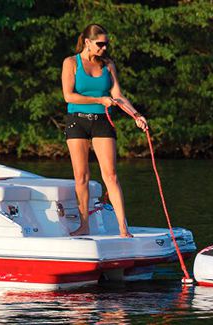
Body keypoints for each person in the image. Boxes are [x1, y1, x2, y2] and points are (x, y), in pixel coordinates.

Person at [60, 24, 147, 237]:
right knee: (81, 176)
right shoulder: (71, 63)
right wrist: (99, 99)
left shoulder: (107, 65)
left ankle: (123, 228)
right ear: (88, 42)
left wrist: (136, 115)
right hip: (77, 121)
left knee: (111, 175)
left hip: (101, 121)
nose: (104, 48)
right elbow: (68, 96)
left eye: (106, 44)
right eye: (100, 44)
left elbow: (117, 95)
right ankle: (84, 225)